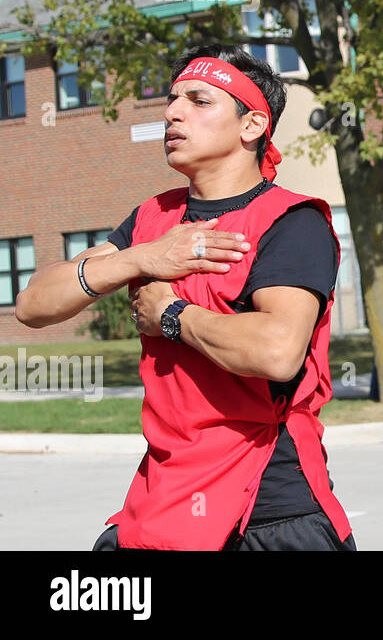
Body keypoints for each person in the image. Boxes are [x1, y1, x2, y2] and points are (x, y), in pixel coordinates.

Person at [17, 45, 352, 551]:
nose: (172, 112)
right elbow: (32, 305)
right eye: (173, 100)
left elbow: (277, 351)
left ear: (252, 125)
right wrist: (138, 259)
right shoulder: (152, 220)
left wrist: (172, 314)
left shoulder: (291, 221)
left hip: (268, 504)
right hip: (163, 491)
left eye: (199, 101)